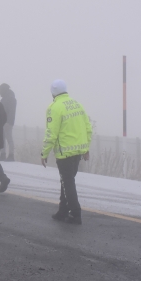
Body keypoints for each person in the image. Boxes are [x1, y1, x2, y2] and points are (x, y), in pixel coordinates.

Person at [40, 79, 92, 225]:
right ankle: (62, 211)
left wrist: (44, 153)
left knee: (67, 182)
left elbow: (51, 133)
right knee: (66, 181)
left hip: (65, 153)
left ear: (53, 93)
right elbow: (88, 128)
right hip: (77, 152)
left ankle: (75, 214)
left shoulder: (54, 107)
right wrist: (86, 149)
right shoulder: (77, 104)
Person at [0, 83, 17, 161]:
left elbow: (12, 112)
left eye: (0, 90)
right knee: (2, 138)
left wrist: (9, 123)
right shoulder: (5, 99)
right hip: (3, 122)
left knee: (9, 138)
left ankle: (11, 155)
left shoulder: (10, 99)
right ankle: (3, 154)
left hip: (7, 122)